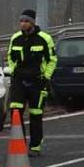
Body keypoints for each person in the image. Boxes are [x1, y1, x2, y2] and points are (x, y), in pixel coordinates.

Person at [7, 9, 57, 156]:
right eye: (21, 21)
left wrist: (46, 77)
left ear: (33, 22)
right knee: (15, 111)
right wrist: (13, 70)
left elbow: (52, 60)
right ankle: (20, 144)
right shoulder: (15, 38)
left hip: (37, 82)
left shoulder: (44, 38)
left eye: (26, 21)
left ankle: (35, 146)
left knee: (36, 114)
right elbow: (10, 57)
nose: (23, 24)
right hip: (19, 81)